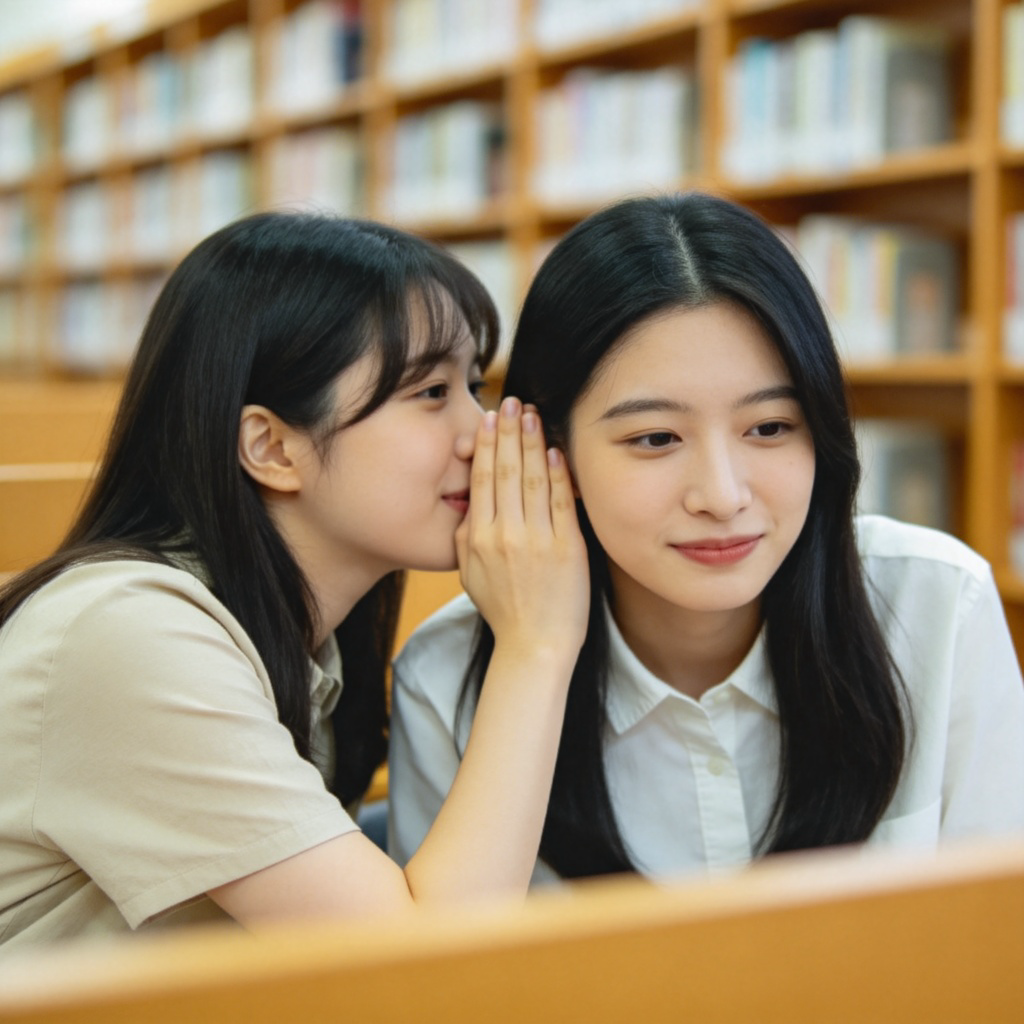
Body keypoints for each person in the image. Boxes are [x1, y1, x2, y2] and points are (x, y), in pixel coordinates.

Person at [388, 192, 1024, 883]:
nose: (722, 496)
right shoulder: (448, 678)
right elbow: (458, 979)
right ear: (549, 451)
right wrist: (536, 658)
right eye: (656, 438)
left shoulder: (939, 606)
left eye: (770, 428)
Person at [0, 211, 589, 949]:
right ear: (272, 447)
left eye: (473, 384)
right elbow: (414, 971)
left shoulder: (299, 639)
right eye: (431, 393)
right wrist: (537, 643)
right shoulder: (130, 637)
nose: (484, 434)